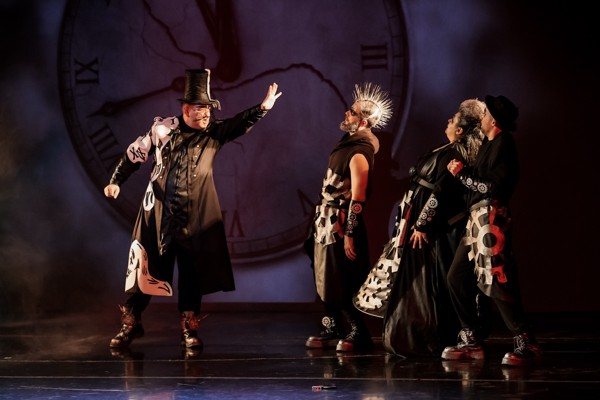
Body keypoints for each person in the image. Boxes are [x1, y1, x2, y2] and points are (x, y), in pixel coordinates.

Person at [104, 69, 282, 350]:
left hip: (193, 217)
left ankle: (189, 327)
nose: (206, 114)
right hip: (158, 214)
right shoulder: (162, 130)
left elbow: (237, 124)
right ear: (186, 109)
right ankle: (131, 323)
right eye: (201, 109)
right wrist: (116, 181)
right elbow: (134, 154)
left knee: (191, 273)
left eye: (209, 109)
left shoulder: (214, 133)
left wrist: (262, 108)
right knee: (145, 269)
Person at [353, 99, 485, 357]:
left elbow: (441, 192)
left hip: (428, 227)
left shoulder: (457, 153)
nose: (449, 120)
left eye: (453, 119)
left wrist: (422, 224)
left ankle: (426, 335)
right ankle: (412, 333)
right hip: (413, 220)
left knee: (427, 276)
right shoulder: (447, 148)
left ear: (460, 130)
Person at [442, 95, 542, 367]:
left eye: (485, 114)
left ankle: (526, 341)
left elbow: (493, 187)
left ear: (494, 121)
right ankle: (471, 339)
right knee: (456, 277)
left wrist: (462, 175)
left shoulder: (504, 144)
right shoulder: (489, 145)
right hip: (477, 219)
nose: (482, 118)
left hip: (491, 218)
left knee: (496, 279)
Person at [305, 83, 393, 352]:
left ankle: (357, 331)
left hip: (340, 224)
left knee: (341, 276)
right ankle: (331, 326)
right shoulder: (348, 143)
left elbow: (358, 197)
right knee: (322, 273)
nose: (347, 113)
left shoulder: (360, 151)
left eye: (352, 112)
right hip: (324, 219)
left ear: (363, 121)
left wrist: (350, 234)